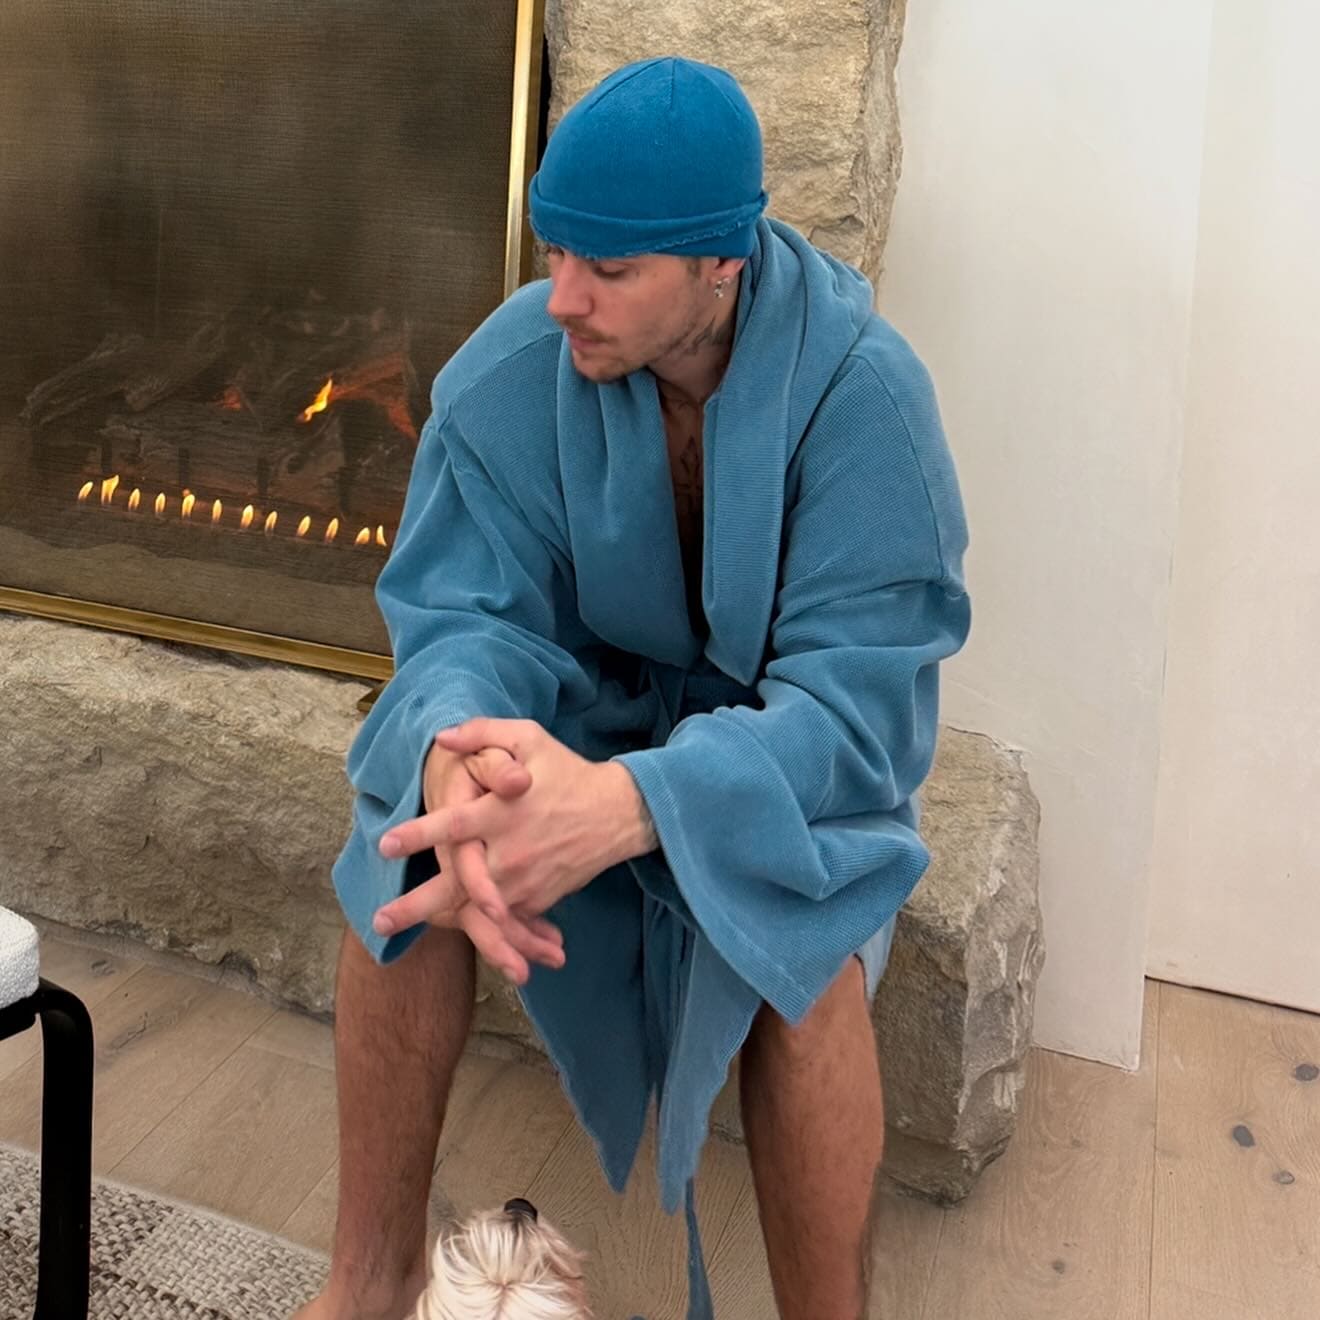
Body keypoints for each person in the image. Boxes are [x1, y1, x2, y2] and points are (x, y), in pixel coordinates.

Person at [295, 55, 969, 1320]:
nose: (563, 299)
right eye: (555, 253)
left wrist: (634, 805)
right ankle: (363, 1287)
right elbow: (458, 621)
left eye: (609, 269)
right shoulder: (511, 368)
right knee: (410, 851)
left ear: (722, 260)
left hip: (780, 770)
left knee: (808, 944)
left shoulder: (868, 400)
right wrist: (454, 753)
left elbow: (858, 718)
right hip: (581, 724)